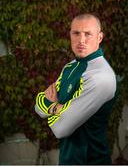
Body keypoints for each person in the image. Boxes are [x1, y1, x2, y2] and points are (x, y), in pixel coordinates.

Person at [35, 13, 117, 165]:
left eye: (88, 34)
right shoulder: (70, 67)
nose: (81, 40)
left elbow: (61, 128)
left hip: (92, 161)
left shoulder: (100, 77)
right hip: (67, 160)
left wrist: (51, 106)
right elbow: (38, 106)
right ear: (70, 35)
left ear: (99, 37)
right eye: (76, 33)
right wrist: (57, 108)